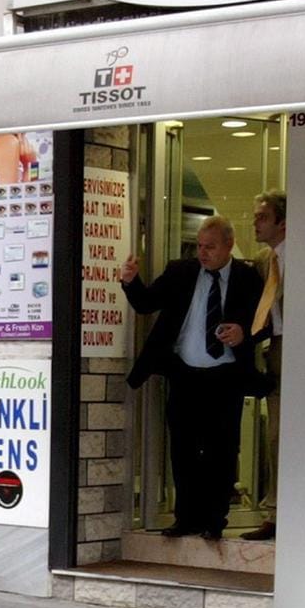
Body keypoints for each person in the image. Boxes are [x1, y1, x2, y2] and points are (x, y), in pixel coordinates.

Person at [121, 215, 267, 541]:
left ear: (228, 245)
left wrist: (244, 333)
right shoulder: (181, 272)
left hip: (225, 376)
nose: (203, 253)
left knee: (222, 450)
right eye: (200, 246)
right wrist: (131, 281)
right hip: (185, 373)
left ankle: (214, 519)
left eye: (210, 247)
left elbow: (265, 322)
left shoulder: (246, 278)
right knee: (184, 449)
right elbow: (146, 303)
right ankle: (185, 517)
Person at [242, 190, 286, 541]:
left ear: (282, 222)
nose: (255, 222)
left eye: (262, 217)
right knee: (277, 435)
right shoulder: (262, 260)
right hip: (277, 350)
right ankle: (275, 512)